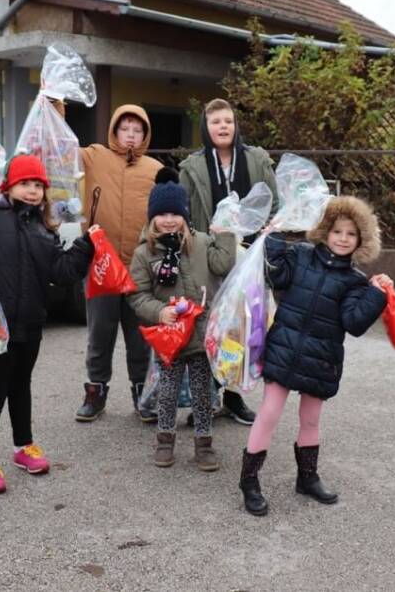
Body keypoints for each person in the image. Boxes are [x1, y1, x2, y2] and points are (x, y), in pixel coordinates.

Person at [239, 196, 391, 516]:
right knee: (268, 412)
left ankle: (307, 477)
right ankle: (249, 481)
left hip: (321, 358)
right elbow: (277, 277)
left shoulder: (355, 282)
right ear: (325, 230)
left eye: (351, 234)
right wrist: (275, 239)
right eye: (337, 231)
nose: (342, 239)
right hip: (284, 348)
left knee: (310, 419)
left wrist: (376, 295)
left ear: (361, 241)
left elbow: (354, 323)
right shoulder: (302, 255)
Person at [0, 154, 93, 494]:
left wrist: (85, 246)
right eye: (24, 183)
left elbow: (60, 272)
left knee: (21, 385)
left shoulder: (42, 229)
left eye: (38, 185)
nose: (32, 191)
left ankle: (22, 446)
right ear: (9, 186)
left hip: (30, 322)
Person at [178, 98, 278, 425]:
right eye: (216, 122)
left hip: (247, 258)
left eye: (228, 121)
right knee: (208, 327)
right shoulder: (192, 167)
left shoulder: (256, 159)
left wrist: (269, 226)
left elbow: (274, 204)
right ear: (206, 129)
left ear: (236, 126)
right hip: (207, 257)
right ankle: (205, 398)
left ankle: (233, 395)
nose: (223, 127)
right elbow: (184, 213)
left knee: (240, 327)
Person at [127, 173, 236, 469]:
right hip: (169, 336)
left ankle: (204, 444)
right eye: (162, 214)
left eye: (175, 213)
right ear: (152, 218)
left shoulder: (202, 243)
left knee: (204, 391)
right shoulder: (144, 253)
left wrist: (225, 233)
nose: (169, 220)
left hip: (201, 335)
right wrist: (160, 312)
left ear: (185, 216)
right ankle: (165, 440)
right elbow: (138, 296)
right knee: (168, 389)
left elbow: (224, 264)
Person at [76, 105, 163, 423]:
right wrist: (53, 103)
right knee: (100, 331)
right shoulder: (95, 156)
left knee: (139, 335)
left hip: (140, 266)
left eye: (137, 130)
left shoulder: (154, 168)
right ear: (114, 131)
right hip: (101, 263)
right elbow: (58, 147)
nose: (130, 134)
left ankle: (142, 393)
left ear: (144, 135)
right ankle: (95, 391)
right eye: (124, 128)